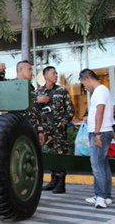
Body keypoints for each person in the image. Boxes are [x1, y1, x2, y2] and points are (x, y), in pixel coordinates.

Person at [79, 69, 115, 209]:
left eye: (83, 84)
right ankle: (105, 195)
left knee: (97, 165)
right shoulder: (102, 90)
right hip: (103, 131)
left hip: (100, 133)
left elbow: (100, 112)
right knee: (103, 165)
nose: (84, 87)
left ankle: (100, 197)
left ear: (87, 79)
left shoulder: (99, 90)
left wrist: (97, 134)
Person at [37, 66, 75, 194]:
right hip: (46, 131)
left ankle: (61, 183)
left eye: (56, 73)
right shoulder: (39, 92)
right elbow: (34, 111)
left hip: (58, 130)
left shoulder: (61, 90)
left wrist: (63, 123)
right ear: (46, 76)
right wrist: (39, 101)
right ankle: (53, 181)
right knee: (52, 155)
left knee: (60, 155)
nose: (56, 75)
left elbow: (70, 110)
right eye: (53, 73)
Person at [15, 60, 45, 145]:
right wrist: (0, 73)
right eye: (29, 69)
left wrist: (40, 130)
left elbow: (36, 111)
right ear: (20, 69)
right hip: (19, 131)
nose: (32, 72)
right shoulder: (12, 85)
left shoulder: (31, 88)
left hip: (33, 130)